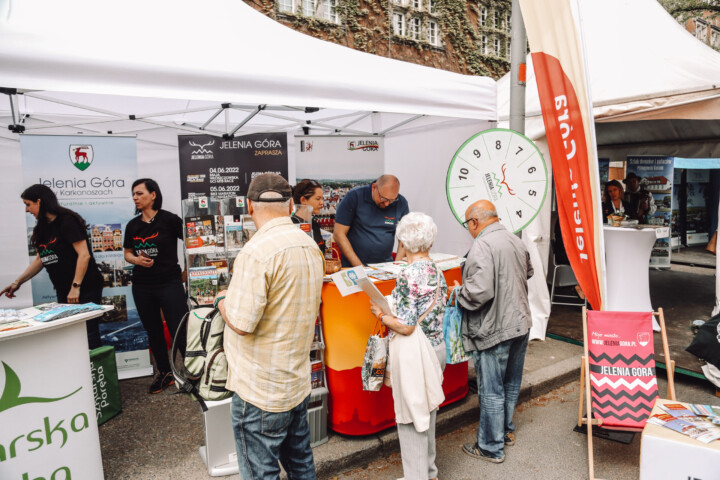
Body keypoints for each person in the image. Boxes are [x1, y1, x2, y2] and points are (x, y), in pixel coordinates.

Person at [216, 173, 324, 480]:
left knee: (261, 472)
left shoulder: (256, 251)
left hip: (260, 389)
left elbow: (241, 322)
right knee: (301, 462)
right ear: (291, 204)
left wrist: (222, 299)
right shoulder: (308, 244)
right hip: (296, 380)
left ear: (249, 206)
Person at [451, 200, 533, 464]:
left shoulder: (482, 246)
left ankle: (490, 447)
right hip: (520, 322)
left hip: (494, 327)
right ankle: (506, 432)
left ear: (475, 222)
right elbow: (528, 272)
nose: (469, 230)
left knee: (491, 390)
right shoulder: (515, 240)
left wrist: (458, 292)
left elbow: (479, 292)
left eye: (468, 225)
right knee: (510, 384)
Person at [369, 212, 446, 480]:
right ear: (430, 240)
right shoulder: (436, 269)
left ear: (402, 240)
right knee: (428, 416)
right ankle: (429, 472)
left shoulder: (407, 275)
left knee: (412, 419)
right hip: (436, 348)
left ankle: (416, 476)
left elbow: (406, 326)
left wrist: (380, 314)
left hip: (415, 354)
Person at [1, 184, 104, 349]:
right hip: (65, 290)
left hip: (84, 288)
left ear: (39, 201)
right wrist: (17, 282)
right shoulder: (42, 228)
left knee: (88, 334)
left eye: (28, 204)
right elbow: (40, 259)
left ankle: (96, 372)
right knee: (72, 336)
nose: (27, 210)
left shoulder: (67, 221)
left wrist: (75, 287)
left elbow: (84, 255)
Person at [123, 178, 188, 395]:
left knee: (179, 327)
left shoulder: (170, 220)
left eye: (139, 193)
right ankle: (165, 373)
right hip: (142, 286)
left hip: (170, 282)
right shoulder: (133, 225)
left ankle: (193, 373)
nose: (135, 197)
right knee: (153, 330)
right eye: (134, 194)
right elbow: (127, 253)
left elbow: (191, 242)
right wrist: (136, 261)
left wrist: (188, 270)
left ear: (153, 195)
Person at [334, 174, 409, 267]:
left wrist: (397, 265)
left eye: (391, 201)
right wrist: (360, 267)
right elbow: (339, 234)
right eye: (383, 199)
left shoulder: (401, 203)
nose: (386, 204)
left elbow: (405, 238)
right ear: (374, 187)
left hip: (386, 267)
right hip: (354, 266)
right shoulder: (354, 197)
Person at [291, 178, 326, 253]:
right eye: (318, 199)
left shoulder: (314, 225)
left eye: (322, 199)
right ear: (303, 200)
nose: (322, 203)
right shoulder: (292, 225)